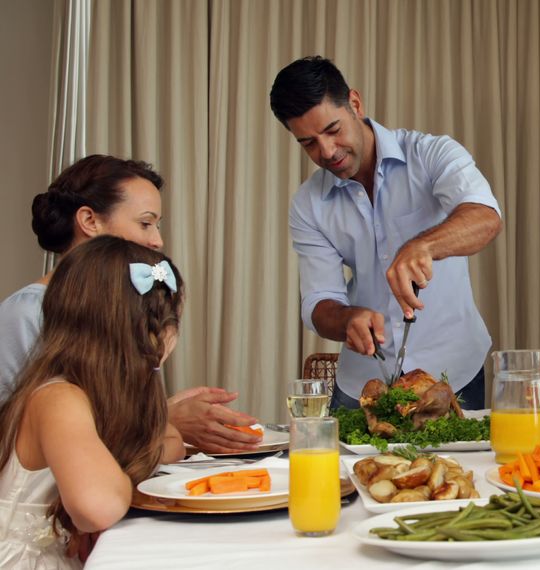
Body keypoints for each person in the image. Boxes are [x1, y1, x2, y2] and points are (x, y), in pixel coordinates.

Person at [269, 56, 502, 410]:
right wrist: (346, 318)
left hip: (454, 373)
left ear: (356, 104)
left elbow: (485, 216)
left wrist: (423, 245)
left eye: (333, 130)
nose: (327, 152)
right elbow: (319, 303)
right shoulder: (308, 203)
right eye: (309, 143)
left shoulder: (431, 154)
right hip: (362, 383)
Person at [0, 155, 261, 453]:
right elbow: (20, 433)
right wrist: (168, 419)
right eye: (145, 223)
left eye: (157, 225)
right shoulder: (25, 313)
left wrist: (162, 411)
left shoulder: (120, 308)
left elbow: (109, 413)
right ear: (89, 220)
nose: (157, 241)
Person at [0, 236, 188, 566]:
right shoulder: (58, 398)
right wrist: (123, 469)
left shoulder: (90, 394)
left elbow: (173, 442)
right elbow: (97, 507)